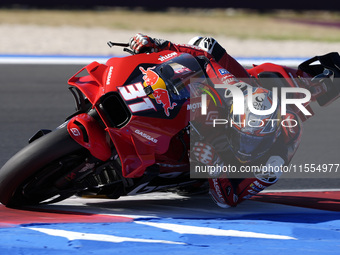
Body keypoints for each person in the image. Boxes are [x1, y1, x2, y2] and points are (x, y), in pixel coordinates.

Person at [128, 33, 302, 208]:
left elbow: (230, 199)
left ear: (272, 137)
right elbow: (204, 58)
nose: (245, 148)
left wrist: (215, 167)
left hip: (222, 169)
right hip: (222, 120)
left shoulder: (271, 166)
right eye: (242, 138)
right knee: (204, 45)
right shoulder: (235, 91)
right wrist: (160, 45)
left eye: (252, 142)